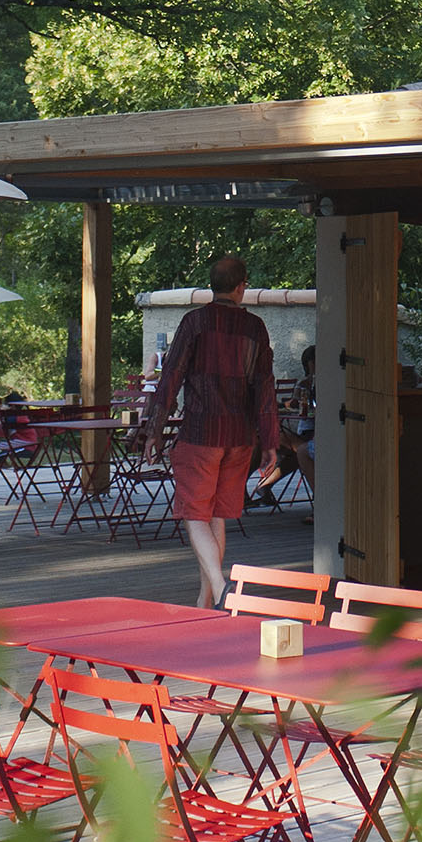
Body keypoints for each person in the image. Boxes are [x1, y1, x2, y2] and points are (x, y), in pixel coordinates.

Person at [141, 253, 280, 610]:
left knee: (194, 514)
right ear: (241, 287)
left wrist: (154, 430)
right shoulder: (256, 328)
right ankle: (206, 600)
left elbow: (170, 376)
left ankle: (219, 587)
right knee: (217, 513)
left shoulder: (194, 322)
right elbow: (265, 389)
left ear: (212, 286)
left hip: (201, 432)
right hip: (239, 436)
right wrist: (270, 441)